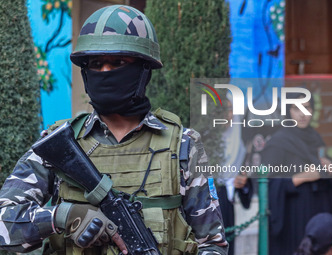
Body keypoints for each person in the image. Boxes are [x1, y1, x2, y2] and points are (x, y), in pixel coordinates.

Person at [0, 5, 228, 255]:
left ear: (144, 69)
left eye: (118, 62)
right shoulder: (61, 144)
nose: (105, 72)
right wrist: (62, 215)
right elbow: (4, 221)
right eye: (96, 64)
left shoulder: (184, 146)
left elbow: (212, 246)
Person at [261, 92, 332, 255]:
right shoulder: (278, 142)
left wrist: (329, 168)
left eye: (307, 107)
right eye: (296, 108)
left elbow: (325, 171)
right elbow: (267, 184)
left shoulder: (316, 138)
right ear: (288, 111)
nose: (302, 114)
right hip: (292, 219)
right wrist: (301, 178)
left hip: (316, 214)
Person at [216, 93, 253, 255]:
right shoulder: (200, 141)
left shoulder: (239, 145)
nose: (226, 115)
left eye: (230, 110)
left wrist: (242, 183)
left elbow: (244, 185)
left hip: (227, 209)